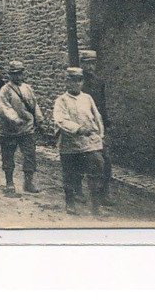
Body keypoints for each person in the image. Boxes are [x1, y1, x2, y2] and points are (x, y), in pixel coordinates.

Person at [53, 67, 106, 216]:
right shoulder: (61, 100)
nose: (76, 84)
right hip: (70, 144)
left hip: (89, 143)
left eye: (79, 80)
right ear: (67, 82)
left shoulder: (87, 98)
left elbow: (97, 116)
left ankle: (96, 206)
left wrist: (100, 134)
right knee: (70, 174)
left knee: (96, 169)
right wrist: (78, 129)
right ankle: (70, 203)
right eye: (73, 81)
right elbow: (61, 120)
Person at [0, 60, 43, 196]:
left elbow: (34, 104)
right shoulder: (5, 90)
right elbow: (4, 107)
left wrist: (39, 119)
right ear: (10, 75)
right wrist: (15, 119)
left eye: (20, 73)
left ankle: (28, 182)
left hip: (26, 129)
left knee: (29, 155)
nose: (17, 76)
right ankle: (9, 182)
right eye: (14, 74)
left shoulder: (27, 88)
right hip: (9, 130)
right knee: (8, 156)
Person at [80, 49, 114, 205]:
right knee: (81, 159)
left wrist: (105, 123)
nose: (90, 67)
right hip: (82, 127)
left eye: (93, 63)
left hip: (98, 126)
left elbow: (102, 104)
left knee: (105, 159)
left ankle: (104, 192)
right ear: (82, 64)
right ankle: (78, 191)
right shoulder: (78, 83)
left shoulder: (99, 82)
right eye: (87, 63)